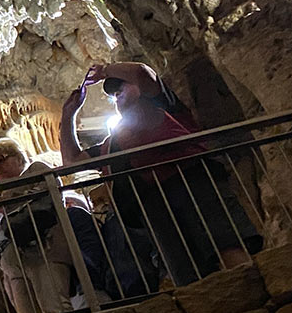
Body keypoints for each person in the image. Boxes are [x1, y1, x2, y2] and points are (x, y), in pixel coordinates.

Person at [60, 62, 260, 286]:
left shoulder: (160, 105)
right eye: (114, 95)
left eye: (122, 88)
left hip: (190, 182)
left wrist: (106, 70)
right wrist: (68, 115)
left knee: (224, 242)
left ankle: (253, 285)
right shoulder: (110, 144)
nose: (117, 96)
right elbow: (72, 162)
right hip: (151, 204)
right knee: (183, 269)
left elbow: (142, 73)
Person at [0, 137, 106, 313]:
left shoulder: (36, 169)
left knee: (55, 308)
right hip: (14, 266)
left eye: (0, 160)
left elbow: (47, 196)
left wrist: (8, 200)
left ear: (18, 157)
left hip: (43, 251)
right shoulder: (0, 197)